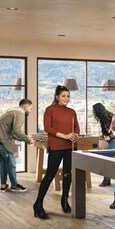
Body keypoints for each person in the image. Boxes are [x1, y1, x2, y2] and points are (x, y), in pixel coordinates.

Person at [34, 86, 80, 219]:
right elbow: (48, 128)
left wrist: (74, 135)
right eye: (64, 96)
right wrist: (64, 136)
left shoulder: (72, 111)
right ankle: (38, 204)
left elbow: (76, 127)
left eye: (68, 96)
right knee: (50, 175)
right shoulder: (50, 110)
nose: (67, 98)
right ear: (57, 97)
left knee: (67, 174)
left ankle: (64, 201)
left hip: (70, 147)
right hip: (56, 146)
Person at [0, 99, 34, 194]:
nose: (30, 111)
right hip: (2, 140)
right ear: (25, 107)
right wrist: (28, 139)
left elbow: (13, 133)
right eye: (30, 108)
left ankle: (3, 185)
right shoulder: (20, 113)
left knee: (4, 162)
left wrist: (26, 139)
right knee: (11, 162)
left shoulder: (12, 112)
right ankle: (14, 185)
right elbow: (17, 131)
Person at [93, 102, 115, 187]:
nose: (94, 113)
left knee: (107, 159)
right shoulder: (103, 119)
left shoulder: (111, 117)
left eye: (94, 111)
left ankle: (106, 180)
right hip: (110, 139)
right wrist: (102, 137)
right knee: (106, 159)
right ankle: (107, 180)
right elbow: (105, 132)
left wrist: (109, 137)